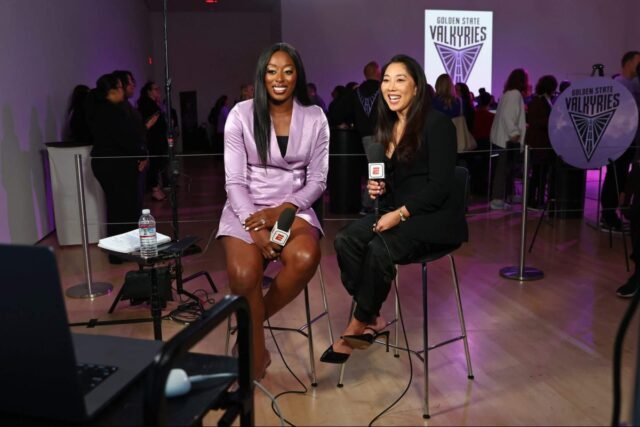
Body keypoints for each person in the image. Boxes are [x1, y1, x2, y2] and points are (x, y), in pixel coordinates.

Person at [320, 54, 462, 364]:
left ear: (416, 88)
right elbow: (395, 180)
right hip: (396, 210)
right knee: (346, 240)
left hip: (433, 217)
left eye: (400, 79)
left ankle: (358, 324)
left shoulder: (438, 125)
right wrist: (380, 188)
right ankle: (374, 317)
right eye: (386, 80)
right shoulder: (387, 126)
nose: (391, 86)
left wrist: (398, 214)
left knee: (379, 248)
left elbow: (439, 188)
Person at [216, 43, 329, 380]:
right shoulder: (240, 114)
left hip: (294, 207)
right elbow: (234, 181)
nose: (280, 78)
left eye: (288, 71)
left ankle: (251, 328)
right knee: (243, 275)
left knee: (306, 257)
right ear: (262, 75)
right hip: (245, 207)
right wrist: (256, 228)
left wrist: (283, 210)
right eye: (272, 71)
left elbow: (319, 180)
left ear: (298, 76)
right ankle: (257, 353)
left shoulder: (315, 117)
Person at [87, 74, 147, 264]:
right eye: (121, 87)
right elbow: (125, 138)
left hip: (110, 164)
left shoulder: (101, 110)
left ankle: (122, 250)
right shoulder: (111, 111)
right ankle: (121, 251)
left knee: (118, 208)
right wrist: (141, 154)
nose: (124, 91)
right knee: (122, 208)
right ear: (112, 91)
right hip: (115, 166)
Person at [601, 51, 640, 230]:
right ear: (628, 63)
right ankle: (608, 215)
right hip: (620, 140)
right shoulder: (618, 84)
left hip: (633, 140)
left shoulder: (635, 84)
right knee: (615, 176)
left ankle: (620, 212)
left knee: (626, 177)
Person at [489, 68, 529, 210]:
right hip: (507, 139)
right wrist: (515, 133)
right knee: (503, 170)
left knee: (503, 169)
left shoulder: (508, 93)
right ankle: (498, 199)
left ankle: (500, 197)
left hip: (501, 138)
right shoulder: (515, 94)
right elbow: (508, 117)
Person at [525, 75, 558, 210]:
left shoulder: (544, 100)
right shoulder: (538, 101)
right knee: (538, 174)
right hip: (539, 143)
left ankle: (537, 200)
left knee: (540, 173)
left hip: (543, 143)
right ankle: (532, 201)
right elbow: (536, 121)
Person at [138, 81, 168, 201]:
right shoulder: (147, 104)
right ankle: (155, 189)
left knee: (157, 164)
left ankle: (156, 187)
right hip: (153, 139)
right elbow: (149, 123)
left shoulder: (153, 104)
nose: (158, 91)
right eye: (155, 89)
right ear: (149, 91)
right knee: (154, 164)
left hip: (157, 139)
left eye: (158, 89)